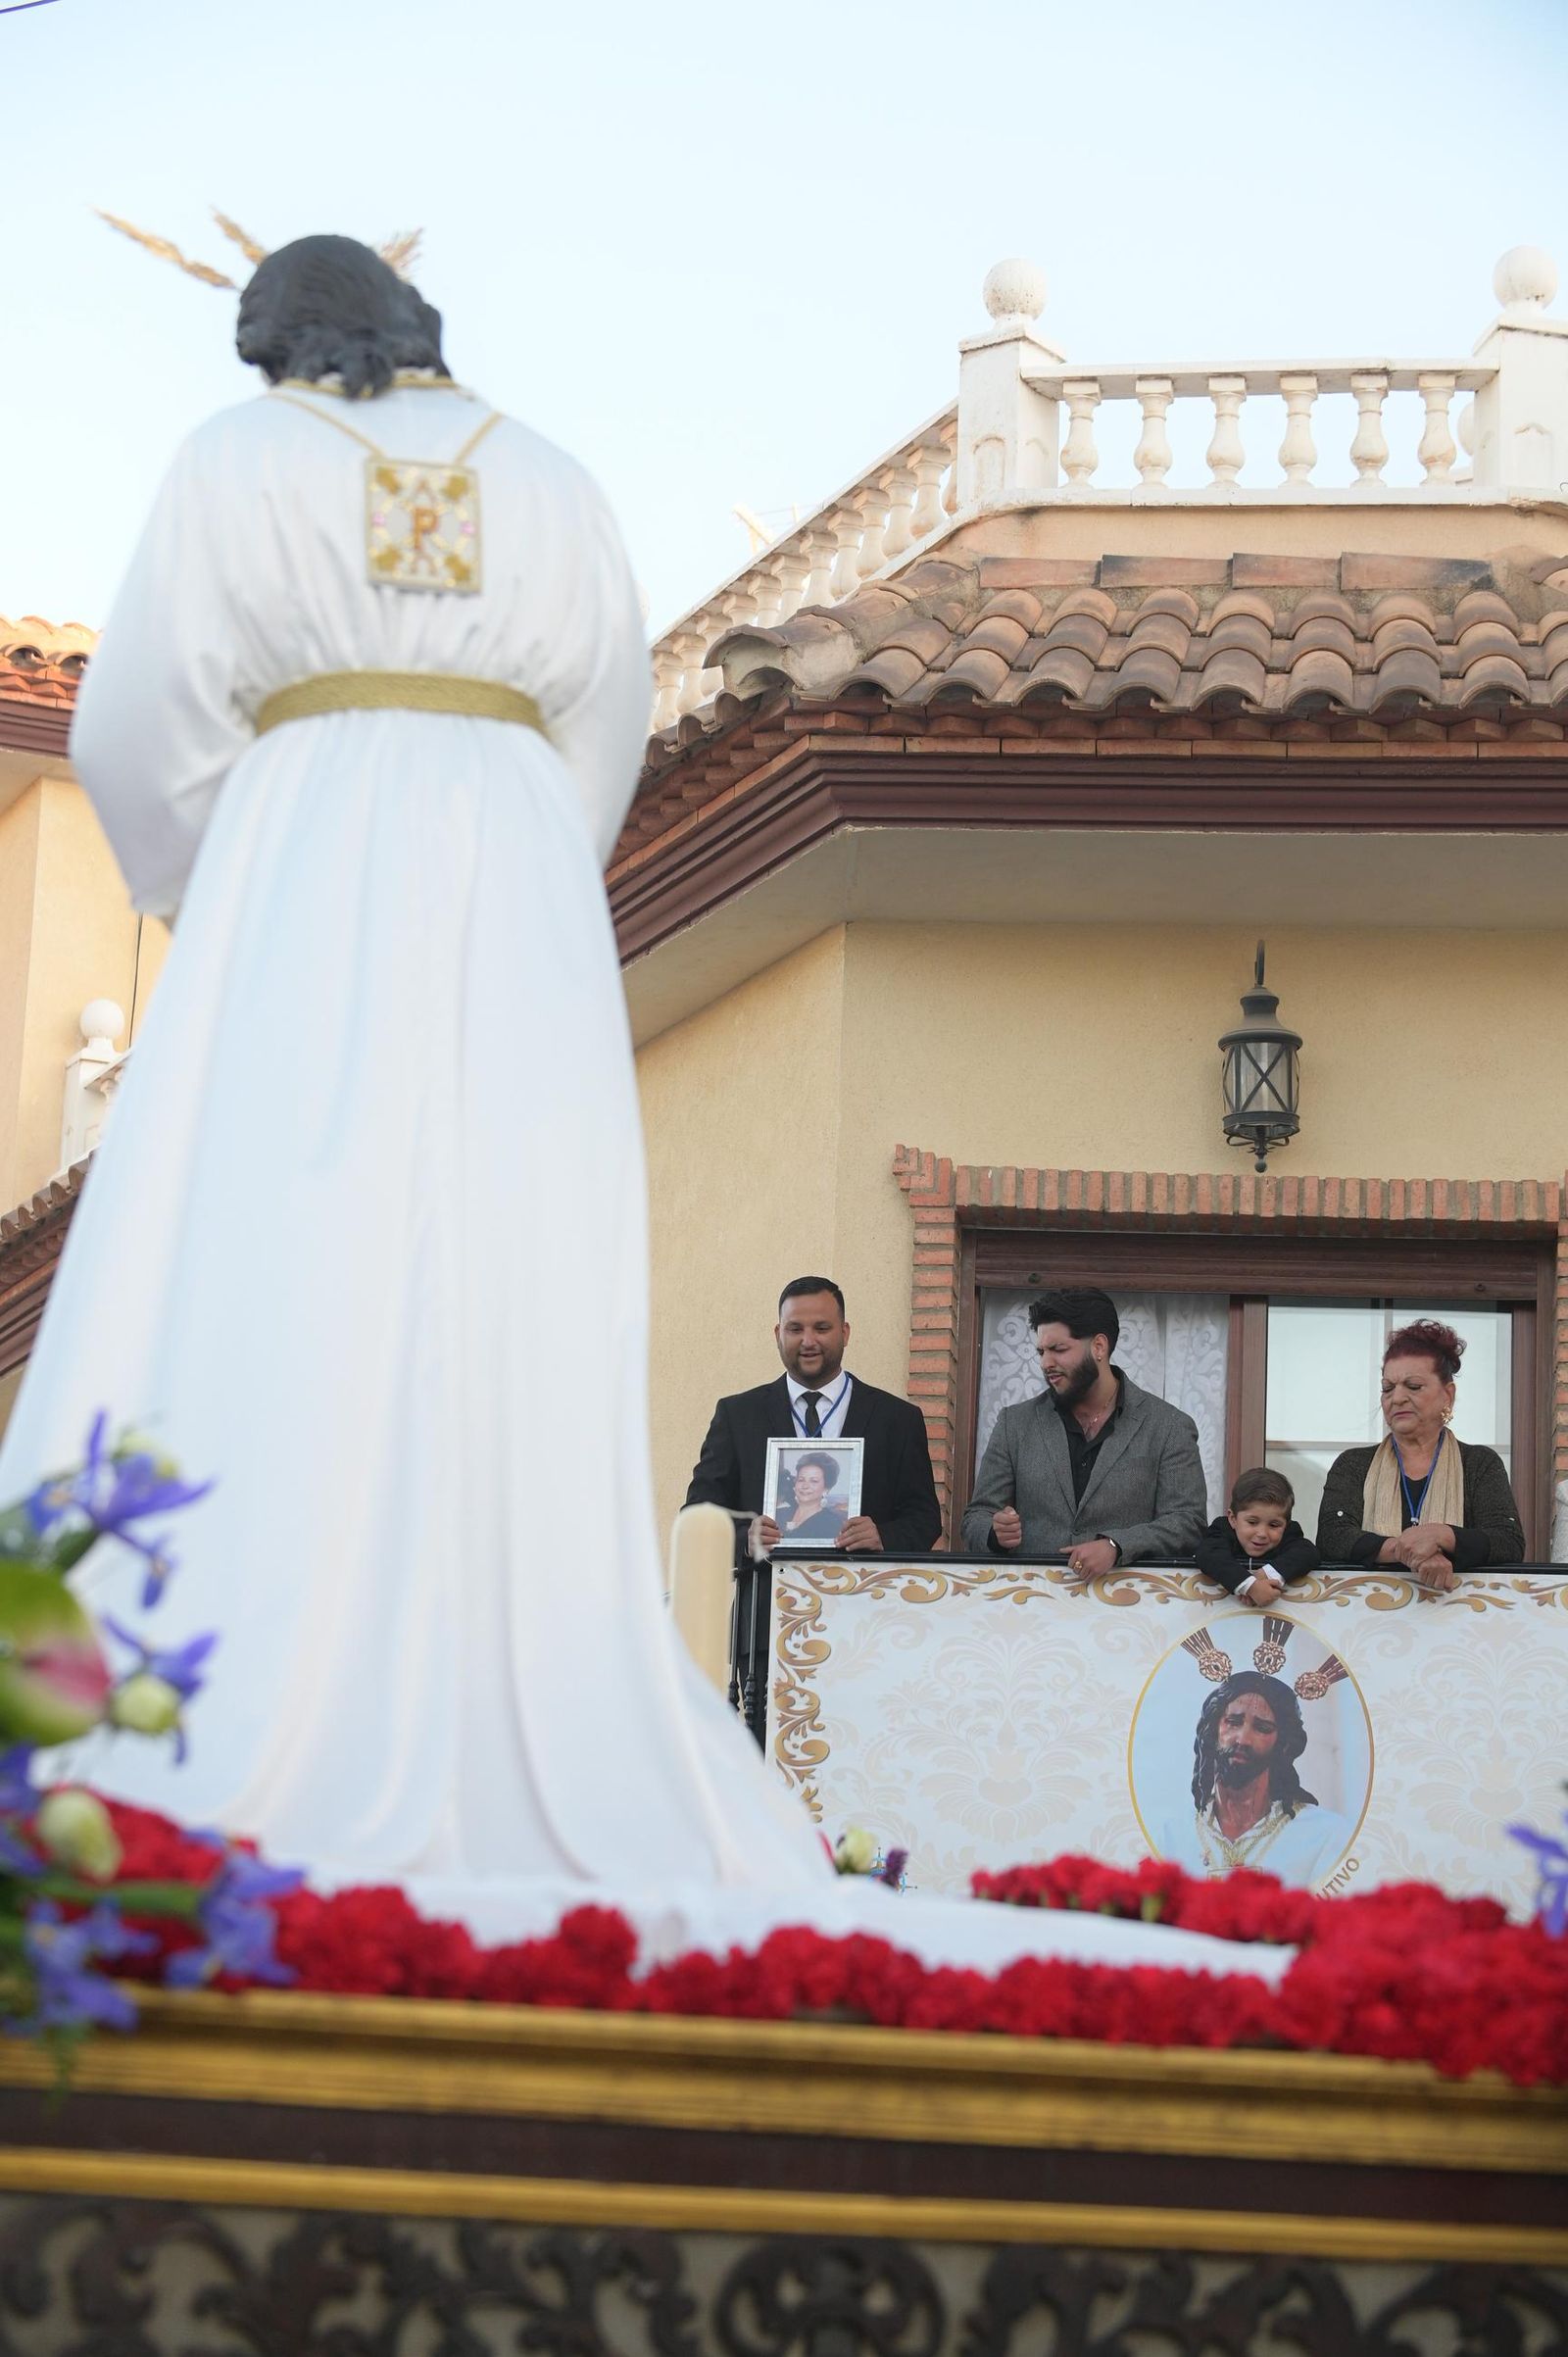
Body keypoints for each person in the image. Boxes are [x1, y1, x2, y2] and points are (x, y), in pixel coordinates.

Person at [0, 237, 1290, 1993]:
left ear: (285, 352)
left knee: (266, 1257)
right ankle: (511, 1687)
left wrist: (237, 892)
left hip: (303, 869)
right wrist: (509, 882)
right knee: (496, 1280)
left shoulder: (241, 456)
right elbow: (602, 739)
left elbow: (141, 735)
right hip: (518, 922)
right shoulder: (556, 480)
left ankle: (202, 1680)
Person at [686, 1277, 942, 1554]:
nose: (808, 1341)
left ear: (844, 1333)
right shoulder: (737, 1416)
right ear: (777, 1334)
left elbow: (924, 1519)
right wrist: (745, 1540)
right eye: (795, 1329)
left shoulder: (898, 1419)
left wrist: (883, 1536)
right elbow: (698, 1517)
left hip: (862, 1592)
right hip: (766, 1591)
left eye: (822, 1328)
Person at [960, 1287, 1207, 1569]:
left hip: (1129, 1605)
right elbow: (976, 1517)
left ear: (1099, 1347)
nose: (1045, 1363)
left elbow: (1188, 1523)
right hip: (1031, 1604)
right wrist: (994, 1533)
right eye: (1041, 1351)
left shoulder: (1169, 1427)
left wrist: (1117, 1545)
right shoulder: (1013, 1424)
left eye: (1058, 1349)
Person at [1316, 1319, 1526, 1587]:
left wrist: (1442, 1535)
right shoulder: (1353, 1464)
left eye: (1413, 1386)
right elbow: (1332, 1537)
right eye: (1387, 1388)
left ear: (1447, 1395)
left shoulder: (1479, 1463)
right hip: (1366, 1616)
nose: (1397, 1398)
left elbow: (1507, 1541)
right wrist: (1409, 1551)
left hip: (1460, 1616)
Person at [1156, 1670, 1351, 1885]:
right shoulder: (1172, 1836)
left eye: (1262, 1728)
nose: (1243, 1739)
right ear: (1213, 1731)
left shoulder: (1325, 1835)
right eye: (1233, 1721)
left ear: (1283, 1744)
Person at [1195, 1467, 1321, 1603]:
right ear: (1232, 1518)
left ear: (1286, 1524)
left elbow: (1308, 1553)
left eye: (1273, 1525)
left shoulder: (1289, 1533)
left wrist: (1267, 1573)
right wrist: (1249, 1586)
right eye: (1252, 1522)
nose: (1262, 1534)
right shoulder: (1222, 1529)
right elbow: (1208, 1554)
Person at [774, 1450, 848, 1542]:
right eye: (801, 1480)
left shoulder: (831, 1523)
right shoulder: (778, 1513)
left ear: (826, 1488)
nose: (805, 1486)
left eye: (814, 1481)